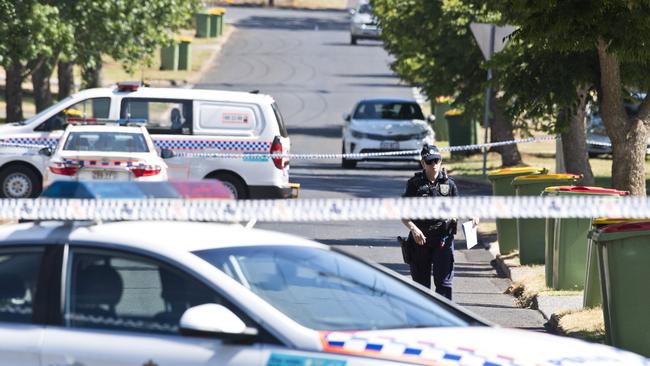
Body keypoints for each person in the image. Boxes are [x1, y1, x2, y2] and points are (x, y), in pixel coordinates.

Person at [401, 144, 458, 300]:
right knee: (420, 288)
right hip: (420, 241)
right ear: (423, 163)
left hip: (443, 241)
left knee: (444, 285)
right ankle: (421, 322)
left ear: (441, 161)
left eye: (437, 161)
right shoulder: (414, 184)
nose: (434, 165)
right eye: (430, 161)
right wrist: (413, 229)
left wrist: (473, 216)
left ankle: (445, 320)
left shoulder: (449, 184)